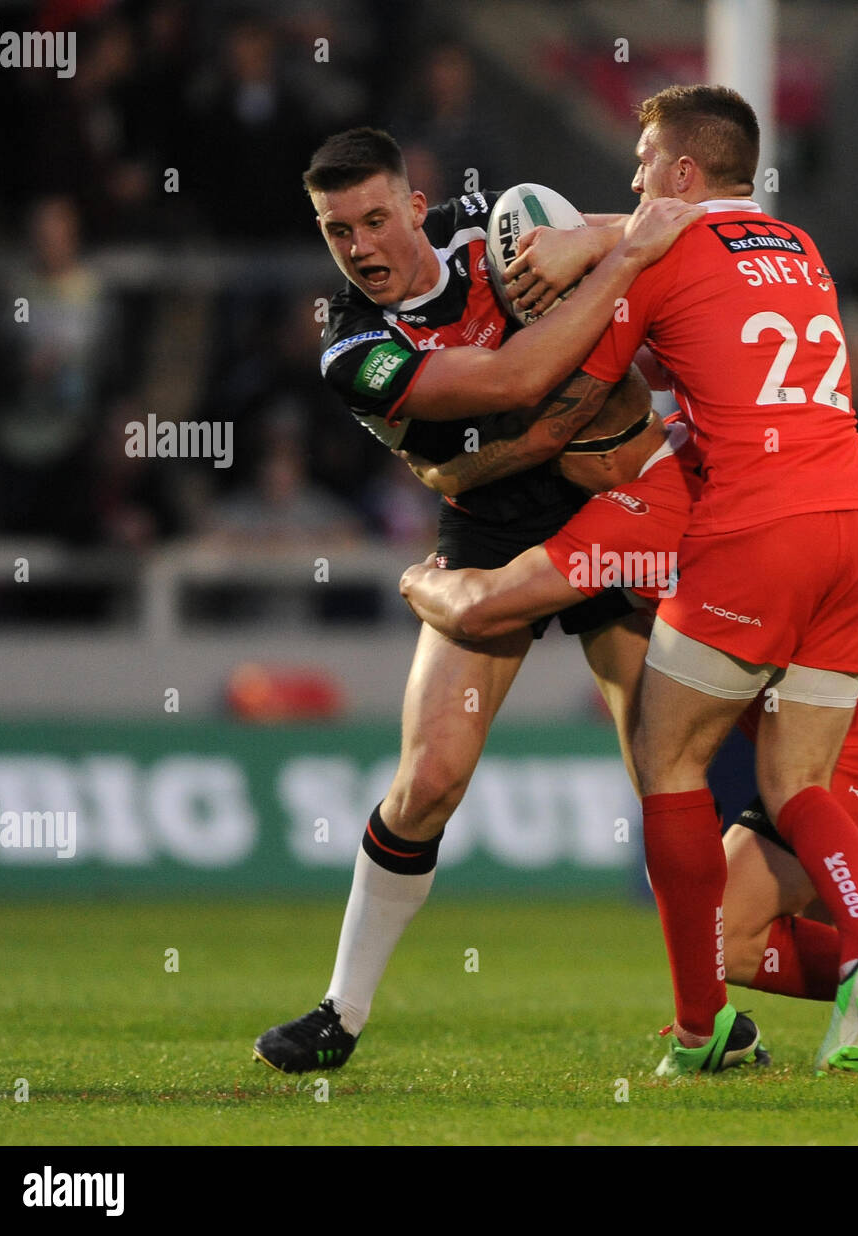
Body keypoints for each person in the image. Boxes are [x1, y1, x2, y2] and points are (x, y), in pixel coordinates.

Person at [401, 399, 858, 1069]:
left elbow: (488, 606)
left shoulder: (639, 513)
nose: (560, 458)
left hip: (857, 732)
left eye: (568, 438)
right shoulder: (706, 472)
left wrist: (424, 579)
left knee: (730, 936)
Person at [252, 127, 701, 1074]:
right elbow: (512, 382)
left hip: (608, 497)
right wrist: (608, 279)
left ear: (418, 208)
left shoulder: (492, 222)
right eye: (339, 233)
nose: (363, 248)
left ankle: (708, 1017)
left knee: (664, 772)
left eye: (376, 219)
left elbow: (666, 225)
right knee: (431, 780)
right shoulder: (351, 345)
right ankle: (341, 1010)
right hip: (495, 529)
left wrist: (598, 237)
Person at [514, 85, 858, 1078]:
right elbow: (695, 269)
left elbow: (571, 393)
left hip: (757, 529)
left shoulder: (663, 249)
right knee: (797, 782)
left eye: (643, 165)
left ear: (681, 173)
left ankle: (700, 1029)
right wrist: (606, 238)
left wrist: (578, 271)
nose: (632, 182)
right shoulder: (797, 246)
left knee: (667, 757)